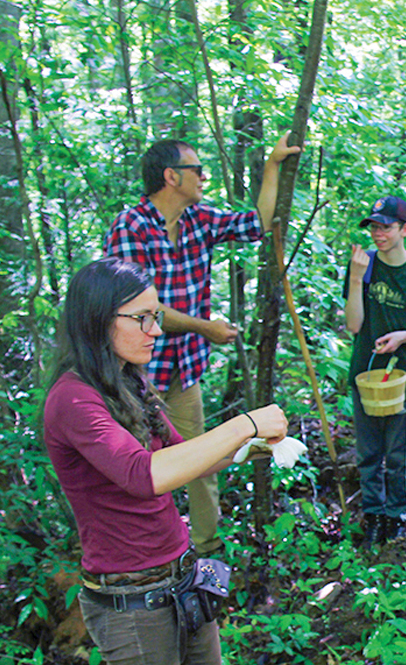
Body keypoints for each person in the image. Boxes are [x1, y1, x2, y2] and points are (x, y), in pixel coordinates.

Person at [44, 258, 288, 665]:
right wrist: (244, 422)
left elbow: (179, 456)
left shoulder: (126, 381)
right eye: (144, 319)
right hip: (129, 597)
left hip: (177, 576)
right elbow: (143, 475)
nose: (157, 330)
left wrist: (248, 447)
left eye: (158, 317)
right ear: (99, 320)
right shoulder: (73, 399)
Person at [105, 133, 301, 554]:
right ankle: (142, 554)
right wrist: (203, 327)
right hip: (135, 374)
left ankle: (206, 553)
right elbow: (136, 306)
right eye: (196, 170)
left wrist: (272, 165)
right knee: (137, 468)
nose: (203, 177)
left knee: (199, 459)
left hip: (184, 369)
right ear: (171, 176)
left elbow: (258, 223)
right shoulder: (131, 227)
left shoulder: (198, 221)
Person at [343, 196, 406, 545]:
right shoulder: (363, 266)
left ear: (405, 229)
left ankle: (396, 515)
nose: (378, 233)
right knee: (368, 450)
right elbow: (354, 326)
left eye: (386, 227)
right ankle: (372, 513)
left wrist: (405, 336)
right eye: (373, 226)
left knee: (398, 452)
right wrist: (356, 279)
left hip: (404, 377)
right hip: (365, 372)